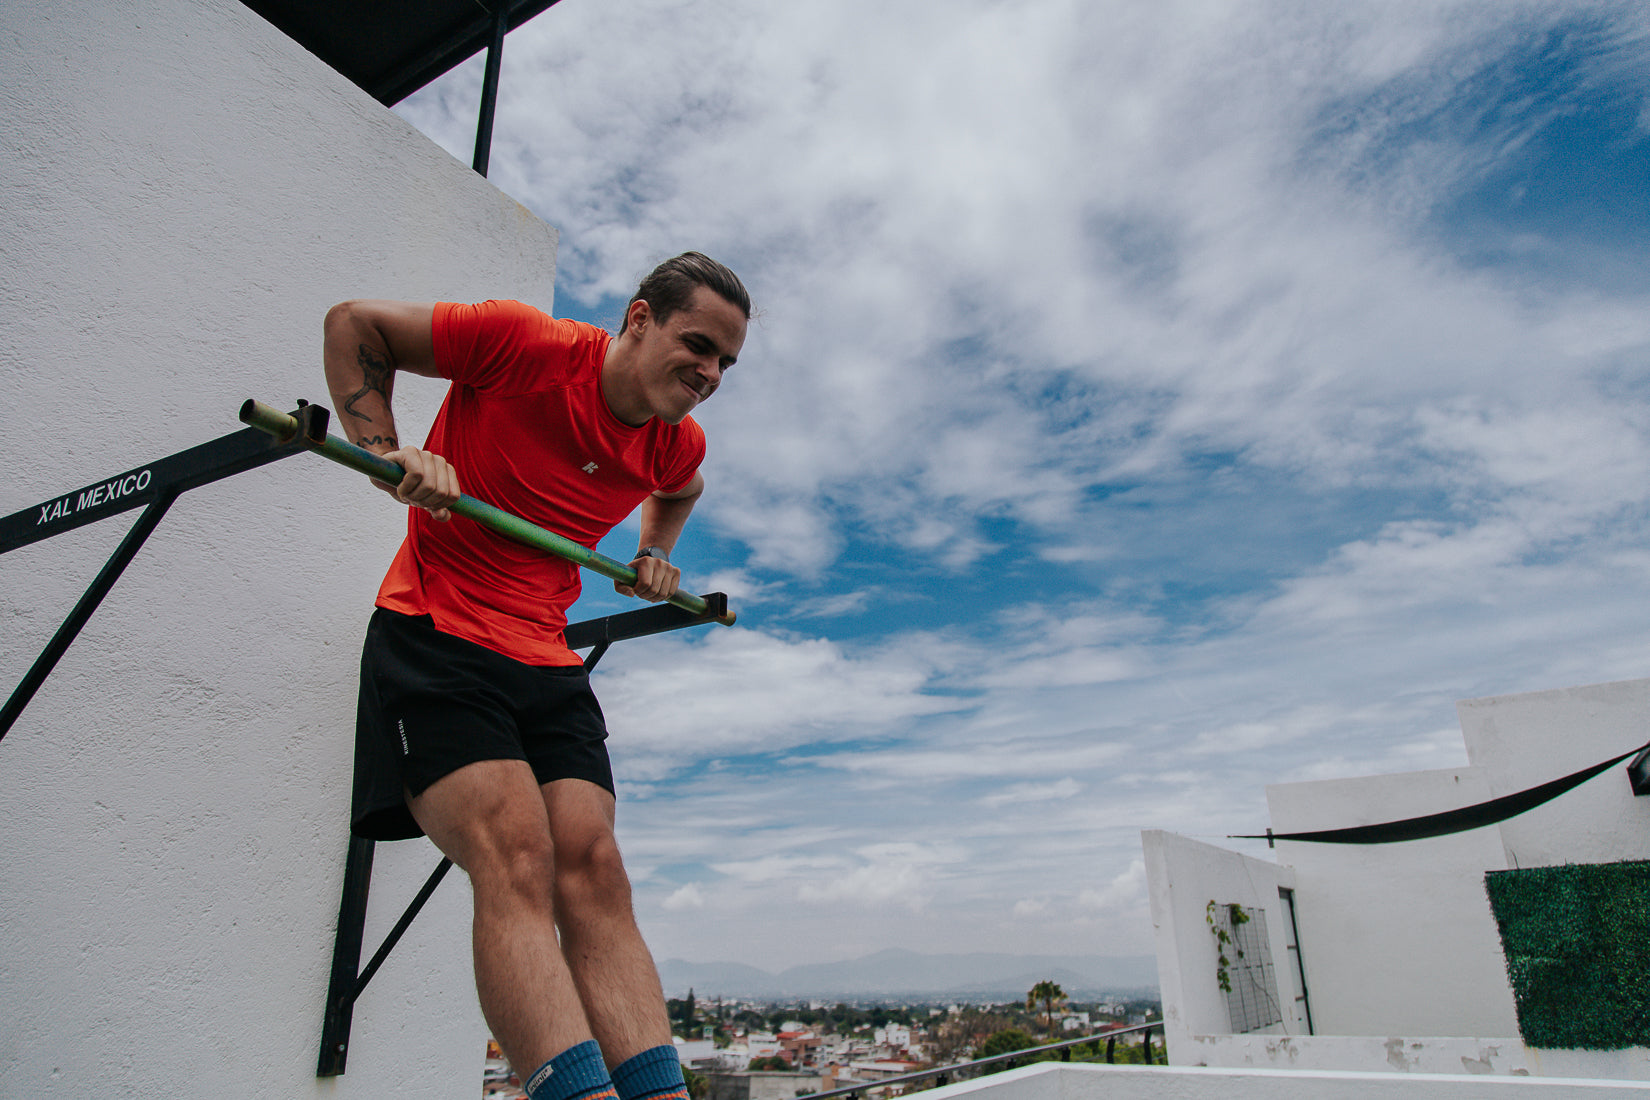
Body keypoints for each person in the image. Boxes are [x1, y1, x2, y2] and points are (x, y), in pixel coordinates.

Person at [322, 252, 750, 1100]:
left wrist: (653, 554)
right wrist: (388, 452)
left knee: (594, 868)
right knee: (518, 855)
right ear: (638, 318)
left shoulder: (675, 440)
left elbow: (681, 486)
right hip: (438, 633)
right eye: (697, 344)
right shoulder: (522, 344)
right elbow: (352, 324)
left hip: (543, 656)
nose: (708, 374)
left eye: (724, 363)